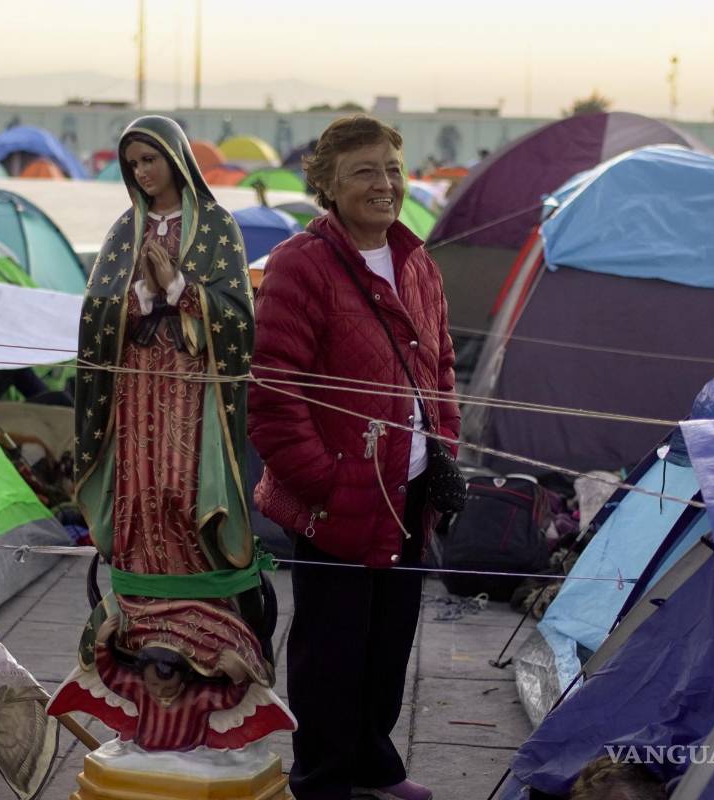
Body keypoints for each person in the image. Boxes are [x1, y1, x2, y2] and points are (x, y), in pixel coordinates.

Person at [47, 115, 293, 751]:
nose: (141, 173)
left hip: (191, 387)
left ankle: (197, 601)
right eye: (132, 164)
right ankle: (143, 588)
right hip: (135, 383)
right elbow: (98, 312)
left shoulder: (216, 227)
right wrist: (138, 298)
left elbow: (239, 321)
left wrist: (180, 289)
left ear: (176, 160)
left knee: (183, 487)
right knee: (141, 483)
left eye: (150, 159)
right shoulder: (123, 230)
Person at [248, 115, 459, 800]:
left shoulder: (417, 262)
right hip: (338, 495)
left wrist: (445, 454)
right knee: (331, 650)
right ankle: (324, 778)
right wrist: (330, 485)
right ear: (328, 185)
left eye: (393, 169)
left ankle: (375, 767)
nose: (385, 184)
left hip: (411, 494)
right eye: (366, 170)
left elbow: (443, 370)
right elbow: (273, 397)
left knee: (388, 643)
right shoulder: (300, 266)